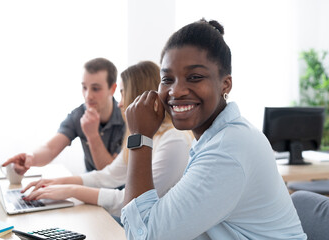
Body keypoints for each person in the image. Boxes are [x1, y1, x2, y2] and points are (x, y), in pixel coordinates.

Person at [121, 19, 307, 239]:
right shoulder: (217, 137)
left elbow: (145, 235)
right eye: (167, 79)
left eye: (195, 77)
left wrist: (140, 138)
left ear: (225, 85)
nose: (176, 90)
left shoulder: (227, 150)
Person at [20, 61, 192, 218]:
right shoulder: (141, 133)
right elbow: (109, 174)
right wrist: (57, 183)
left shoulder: (173, 141)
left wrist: (71, 190)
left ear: (137, 96)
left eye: (123, 93)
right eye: (84, 88)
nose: (120, 102)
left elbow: (132, 201)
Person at [2, 58, 126, 174]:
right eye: (84, 87)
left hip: (120, 193)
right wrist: (30, 158)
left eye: (95, 88)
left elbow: (111, 174)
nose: (88, 95)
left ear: (113, 88)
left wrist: (93, 135)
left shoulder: (126, 119)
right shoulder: (78, 115)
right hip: (89, 188)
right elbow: (50, 149)